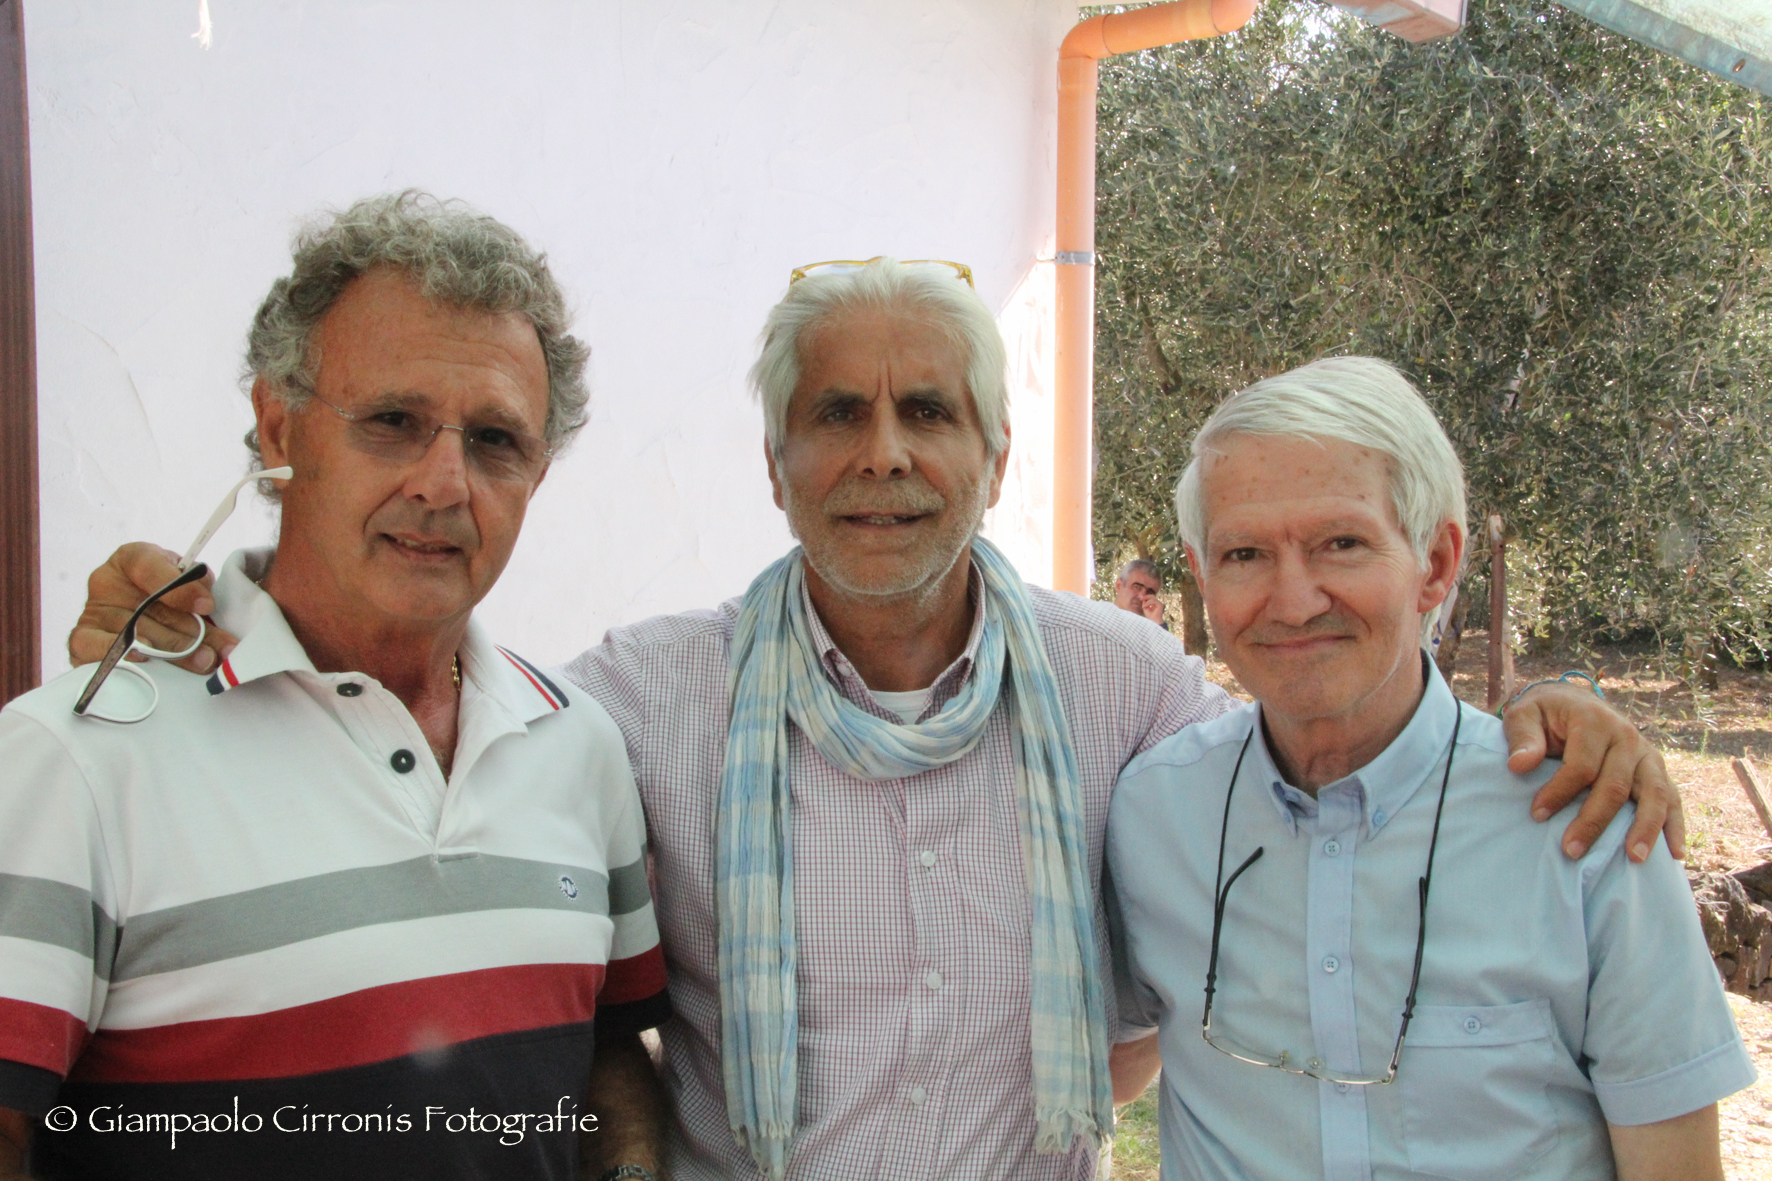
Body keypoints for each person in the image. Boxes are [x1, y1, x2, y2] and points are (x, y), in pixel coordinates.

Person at [70, 262, 1680, 1181]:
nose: (885, 454)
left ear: (994, 455)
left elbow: (1328, 737)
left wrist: (1557, 716)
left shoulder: (1125, 686)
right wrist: (217, 616)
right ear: (775, 464)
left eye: (930, 412)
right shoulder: (634, 699)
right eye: (836, 412)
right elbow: (427, 736)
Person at [0, 193, 672, 1181]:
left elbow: (605, 1048)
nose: (445, 483)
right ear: (280, 429)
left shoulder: (577, 742)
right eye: (393, 420)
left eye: (495, 440)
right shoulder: (78, 756)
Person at [1106, 357, 1750, 1180]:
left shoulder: (1584, 824)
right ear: (1202, 576)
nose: (1294, 601)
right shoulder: (1155, 812)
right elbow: (1115, 1061)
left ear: (1437, 563)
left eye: (1342, 543)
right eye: (1244, 553)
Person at [1113, 559, 1166, 628]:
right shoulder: (1101, 619)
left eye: (1149, 592)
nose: (1142, 597)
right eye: (1136, 587)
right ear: (1119, 585)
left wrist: (1157, 623)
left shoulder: (1149, 629)